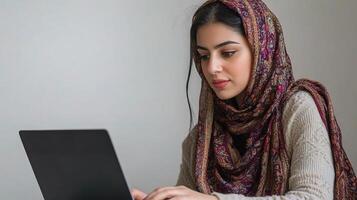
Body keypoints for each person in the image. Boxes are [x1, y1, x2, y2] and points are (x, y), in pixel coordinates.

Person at [131, 0, 357, 199]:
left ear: (262, 53)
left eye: (228, 52)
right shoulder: (202, 138)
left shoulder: (298, 110)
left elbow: (315, 196)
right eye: (203, 56)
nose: (211, 67)